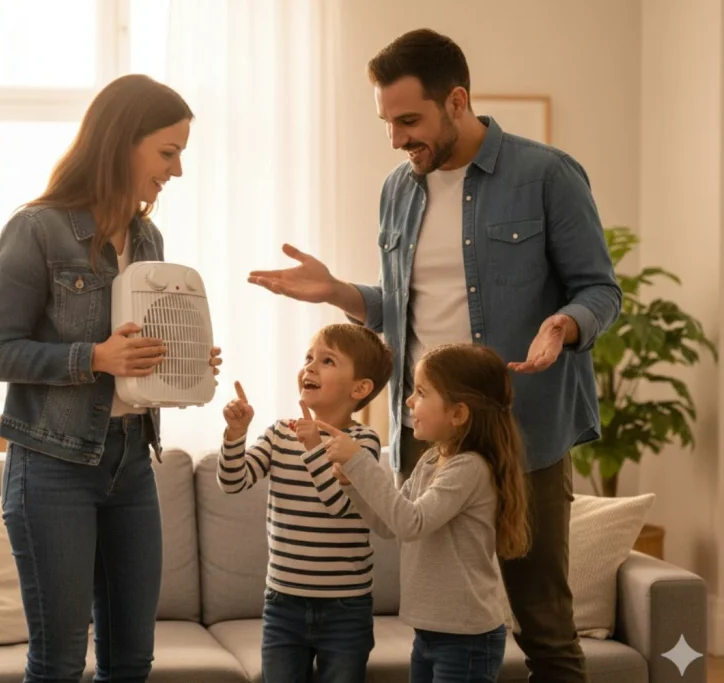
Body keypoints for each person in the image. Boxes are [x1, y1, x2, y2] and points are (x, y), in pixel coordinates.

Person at [247, 28, 622, 683]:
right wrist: (338, 291)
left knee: (545, 623)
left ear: (456, 101)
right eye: (387, 122)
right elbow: (402, 307)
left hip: (523, 431)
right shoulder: (399, 189)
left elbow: (600, 288)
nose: (396, 138)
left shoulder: (546, 175)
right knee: (440, 620)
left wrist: (563, 322)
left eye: (409, 120)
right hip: (427, 438)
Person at [0, 74, 223, 683]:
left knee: (131, 663)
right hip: (51, 466)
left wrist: (183, 363)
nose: (176, 171)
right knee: (60, 663)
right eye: (168, 153)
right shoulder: (36, 229)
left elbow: (135, 352)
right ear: (122, 142)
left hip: (131, 463)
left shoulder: (148, 238)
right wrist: (94, 358)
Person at [322, 343, 530, 683]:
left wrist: (361, 461)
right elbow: (392, 525)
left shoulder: (470, 469)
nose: (408, 401)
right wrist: (352, 484)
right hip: (432, 632)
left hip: (466, 639)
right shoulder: (434, 459)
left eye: (420, 392)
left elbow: (411, 523)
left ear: (458, 413)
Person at [218, 323, 392, 683]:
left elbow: (338, 503)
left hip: (347, 607)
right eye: (309, 357)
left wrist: (313, 447)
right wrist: (235, 436)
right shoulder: (280, 432)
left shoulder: (362, 441)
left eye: (327, 361)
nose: (310, 367)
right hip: (284, 603)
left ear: (359, 388)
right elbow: (233, 481)